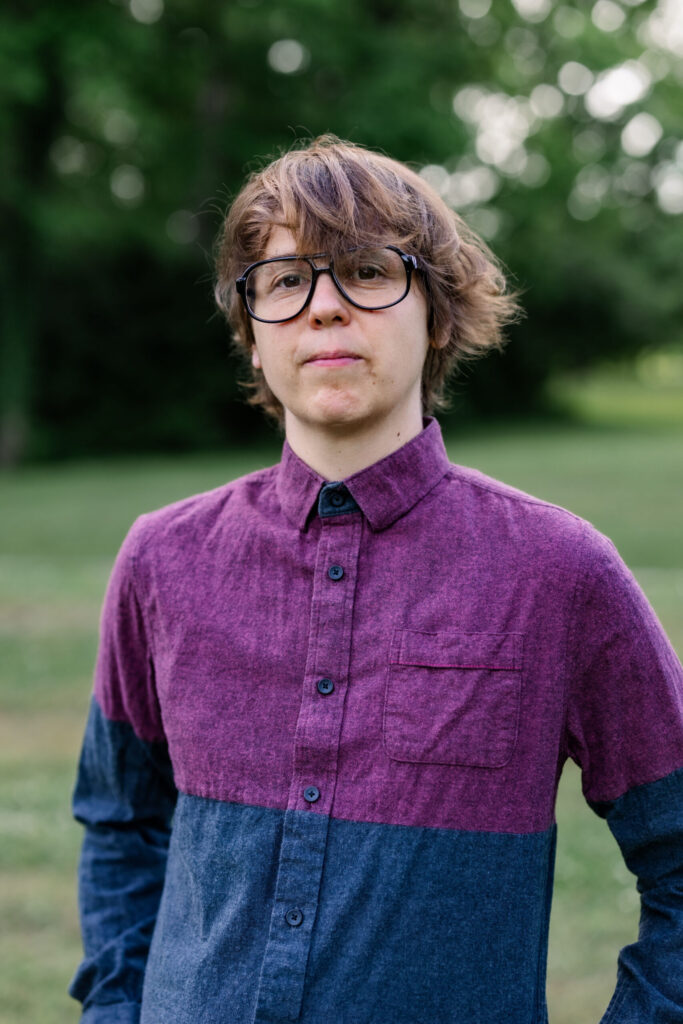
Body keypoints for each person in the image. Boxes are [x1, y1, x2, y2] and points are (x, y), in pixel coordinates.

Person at [70, 135, 683, 1024]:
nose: (323, 308)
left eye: (363, 271)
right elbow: (121, 825)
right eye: (284, 281)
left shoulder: (558, 573)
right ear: (251, 335)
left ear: (436, 315)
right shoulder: (161, 561)